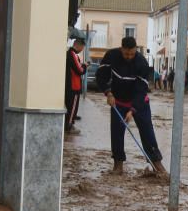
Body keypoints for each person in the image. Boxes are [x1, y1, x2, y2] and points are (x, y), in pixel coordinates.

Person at [98, 36, 167, 176]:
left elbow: (142, 89)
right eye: (126, 54)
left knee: (147, 131)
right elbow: (101, 76)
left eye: (132, 54)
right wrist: (108, 93)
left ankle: (156, 163)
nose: (129, 56)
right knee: (117, 133)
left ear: (135, 50)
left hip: (139, 103)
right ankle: (118, 164)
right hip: (118, 102)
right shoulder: (111, 56)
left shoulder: (141, 62)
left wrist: (133, 109)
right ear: (121, 48)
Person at [64, 38, 87, 133]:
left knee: (71, 106)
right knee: (72, 107)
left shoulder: (71, 54)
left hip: (72, 84)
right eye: (82, 47)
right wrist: (85, 66)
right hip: (73, 85)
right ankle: (69, 126)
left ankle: (69, 123)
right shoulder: (72, 54)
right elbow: (80, 70)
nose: (82, 49)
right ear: (78, 45)